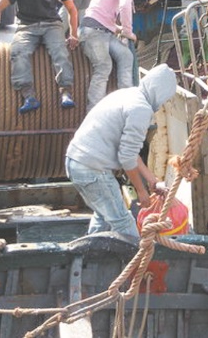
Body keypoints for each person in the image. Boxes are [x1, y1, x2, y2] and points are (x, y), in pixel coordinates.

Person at [65, 64, 177, 239]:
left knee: (104, 215)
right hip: (91, 169)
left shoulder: (128, 94)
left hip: (76, 162)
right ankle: (137, 264)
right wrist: (141, 191)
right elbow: (127, 157)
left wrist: (153, 182)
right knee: (123, 221)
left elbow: (130, 152)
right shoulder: (141, 109)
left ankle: (91, 259)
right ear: (160, 93)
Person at [80, 0, 139, 111]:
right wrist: (127, 31)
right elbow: (124, 6)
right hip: (93, 31)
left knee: (126, 56)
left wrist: (117, 28)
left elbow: (102, 12)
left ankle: (126, 103)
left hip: (103, 29)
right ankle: (94, 113)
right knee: (104, 66)